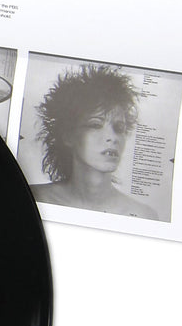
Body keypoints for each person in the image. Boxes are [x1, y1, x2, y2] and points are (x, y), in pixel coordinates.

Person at [30, 64, 158, 219]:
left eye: (119, 128)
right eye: (96, 125)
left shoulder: (144, 215)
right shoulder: (34, 197)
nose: (112, 137)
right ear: (68, 136)